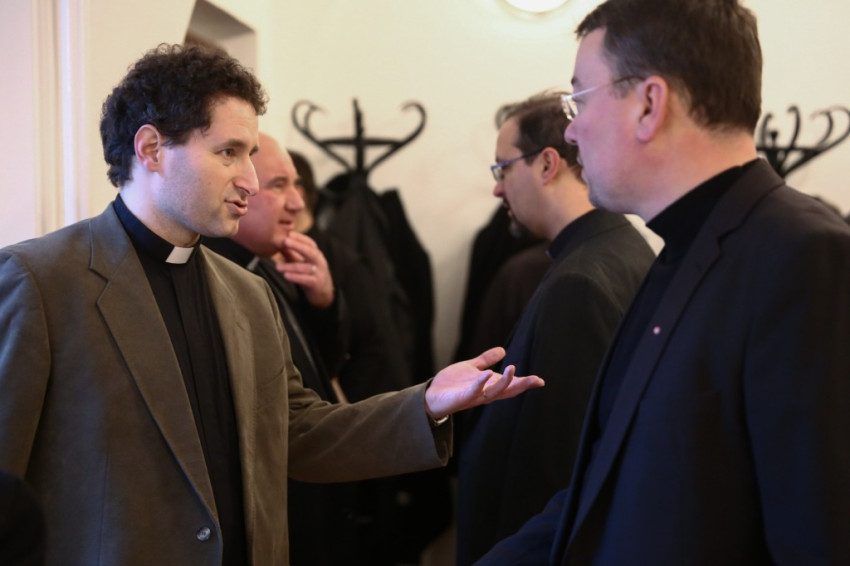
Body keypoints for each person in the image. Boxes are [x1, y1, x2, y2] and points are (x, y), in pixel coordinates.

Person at [0, 43, 543, 566]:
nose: (251, 181)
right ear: (151, 149)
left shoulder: (248, 292)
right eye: (228, 153)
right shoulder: (40, 281)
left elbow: (298, 431)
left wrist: (426, 403)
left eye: (250, 155)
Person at [478, 0, 850, 564]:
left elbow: (817, 537)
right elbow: (604, 490)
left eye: (580, 100)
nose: (572, 130)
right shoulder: (681, 247)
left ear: (650, 105)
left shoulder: (804, 257)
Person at [456, 92, 653, 565]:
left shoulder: (579, 282)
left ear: (547, 164)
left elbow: (555, 470)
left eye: (502, 169)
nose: (497, 190)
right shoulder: (618, 247)